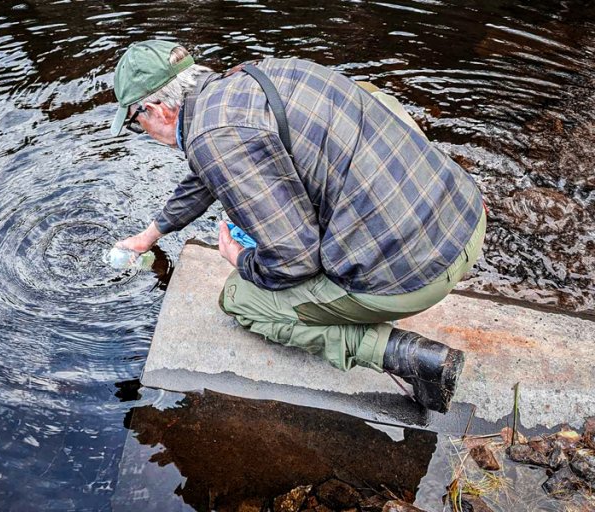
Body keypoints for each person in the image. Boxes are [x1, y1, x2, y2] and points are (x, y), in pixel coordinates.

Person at [110, 40, 486, 414]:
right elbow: (206, 174)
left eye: (134, 120)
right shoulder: (255, 76)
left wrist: (241, 259)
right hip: (465, 218)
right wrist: (150, 236)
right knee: (372, 96)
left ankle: (407, 357)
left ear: (157, 110)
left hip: (415, 276)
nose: (140, 129)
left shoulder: (214, 138)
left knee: (242, 298)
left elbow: (295, 260)